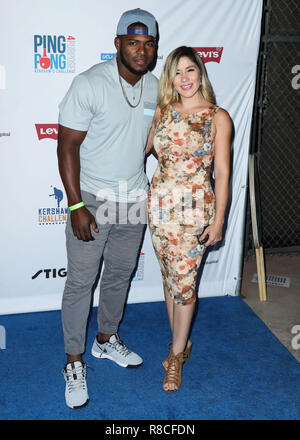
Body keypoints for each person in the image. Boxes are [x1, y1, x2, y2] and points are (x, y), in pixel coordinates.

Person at [57, 8, 158, 409]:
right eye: (133, 43)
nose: (141, 51)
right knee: (82, 281)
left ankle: (105, 340)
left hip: (134, 199)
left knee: (119, 273)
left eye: (148, 44)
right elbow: (66, 145)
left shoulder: (155, 86)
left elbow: (152, 137)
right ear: (117, 44)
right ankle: (74, 361)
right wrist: (77, 203)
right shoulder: (89, 84)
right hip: (93, 200)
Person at [146, 46, 231, 392]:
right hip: (160, 209)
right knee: (170, 280)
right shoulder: (162, 113)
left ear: (201, 73)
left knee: (184, 287)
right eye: (177, 72)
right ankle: (179, 346)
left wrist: (219, 220)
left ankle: (176, 357)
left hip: (196, 212)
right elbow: (144, 148)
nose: (184, 79)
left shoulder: (217, 116)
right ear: (170, 78)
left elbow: (223, 173)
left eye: (190, 71)